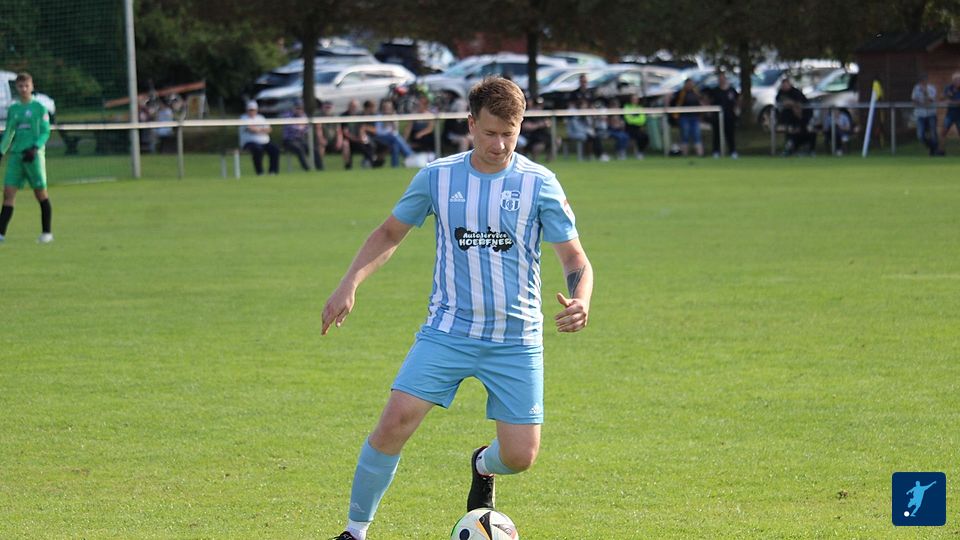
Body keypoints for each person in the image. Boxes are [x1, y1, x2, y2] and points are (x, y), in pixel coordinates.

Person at [323, 76, 593, 540]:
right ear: (470, 125)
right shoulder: (437, 177)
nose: (500, 144)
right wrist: (349, 283)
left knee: (520, 457)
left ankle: (482, 464)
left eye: (509, 133)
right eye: (490, 133)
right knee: (393, 424)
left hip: (515, 338)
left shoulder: (539, 183)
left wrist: (581, 300)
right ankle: (354, 531)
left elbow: (575, 260)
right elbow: (389, 234)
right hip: (448, 331)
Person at [0, 72, 54, 243]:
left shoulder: (39, 108)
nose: (24, 89)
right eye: (21, 86)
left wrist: (35, 147)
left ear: (32, 86)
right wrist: (1, 151)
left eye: (26, 86)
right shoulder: (14, 109)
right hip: (16, 156)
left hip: (33, 156)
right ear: (16, 88)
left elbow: (45, 132)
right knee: (8, 193)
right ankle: (1, 234)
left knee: (40, 193)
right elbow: (9, 132)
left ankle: (47, 233)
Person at [703, 72, 740, 158]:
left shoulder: (731, 90)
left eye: (723, 78)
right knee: (716, 135)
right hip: (717, 117)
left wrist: (737, 110)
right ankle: (716, 151)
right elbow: (708, 100)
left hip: (729, 116)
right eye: (720, 79)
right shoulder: (715, 91)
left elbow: (737, 100)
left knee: (730, 134)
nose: (721, 80)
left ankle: (733, 151)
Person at [239, 100, 279, 175]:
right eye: (250, 110)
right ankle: (260, 172)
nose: (252, 112)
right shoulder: (243, 118)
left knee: (275, 148)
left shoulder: (261, 118)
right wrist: (262, 130)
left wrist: (257, 129)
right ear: (247, 110)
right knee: (258, 149)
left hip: (265, 142)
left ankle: (273, 171)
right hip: (249, 143)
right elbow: (250, 129)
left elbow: (269, 129)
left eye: (253, 110)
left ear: (256, 110)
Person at [776, 78, 814, 156]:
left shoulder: (796, 92)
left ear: (790, 84)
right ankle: (790, 149)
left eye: (786, 84)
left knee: (803, 132)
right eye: (783, 85)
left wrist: (793, 106)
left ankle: (806, 149)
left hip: (803, 116)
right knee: (791, 132)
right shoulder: (781, 92)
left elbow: (798, 106)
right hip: (790, 118)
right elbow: (780, 103)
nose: (784, 86)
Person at [281, 100, 321, 171]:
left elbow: (307, 128)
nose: (299, 110)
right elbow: (292, 127)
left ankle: (320, 169)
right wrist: (300, 127)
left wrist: (301, 127)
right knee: (300, 150)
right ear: (293, 108)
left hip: (300, 140)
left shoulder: (303, 116)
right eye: (297, 108)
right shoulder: (287, 115)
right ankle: (307, 169)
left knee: (314, 149)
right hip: (289, 141)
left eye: (301, 108)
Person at [373, 100, 414, 167]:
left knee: (395, 145)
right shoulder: (379, 116)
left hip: (392, 138)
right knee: (395, 138)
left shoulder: (393, 116)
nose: (387, 109)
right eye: (386, 107)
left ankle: (395, 166)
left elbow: (395, 131)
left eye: (389, 107)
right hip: (380, 138)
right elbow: (379, 132)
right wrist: (386, 122)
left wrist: (393, 121)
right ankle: (410, 155)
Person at [341, 99, 379, 169]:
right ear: (348, 106)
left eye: (355, 107)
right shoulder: (344, 116)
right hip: (348, 139)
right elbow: (345, 132)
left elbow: (362, 128)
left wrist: (361, 137)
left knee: (368, 143)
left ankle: (370, 162)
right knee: (346, 144)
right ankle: (349, 165)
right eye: (352, 106)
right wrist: (356, 139)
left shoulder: (359, 116)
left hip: (358, 139)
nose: (354, 108)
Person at [671, 78, 705, 156]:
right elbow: (674, 103)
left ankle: (700, 154)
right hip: (684, 117)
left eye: (691, 84)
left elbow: (701, 102)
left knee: (697, 134)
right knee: (685, 135)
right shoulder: (680, 93)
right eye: (688, 84)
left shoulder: (696, 93)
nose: (690, 85)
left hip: (695, 117)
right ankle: (684, 153)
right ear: (685, 84)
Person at [911, 74, 938, 156]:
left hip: (931, 114)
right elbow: (914, 101)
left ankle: (934, 152)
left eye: (924, 81)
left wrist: (925, 92)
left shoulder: (931, 88)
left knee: (933, 134)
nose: (922, 82)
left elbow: (930, 100)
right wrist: (922, 103)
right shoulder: (916, 89)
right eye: (921, 81)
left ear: (927, 81)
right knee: (920, 135)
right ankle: (932, 147)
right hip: (920, 114)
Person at [519, 97, 553, 162]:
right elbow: (526, 126)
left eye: (540, 105)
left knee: (556, 141)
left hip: (543, 135)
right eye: (536, 105)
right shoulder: (527, 113)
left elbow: (549, 123)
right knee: (539, 146)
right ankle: (533, 161)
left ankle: (549, 160)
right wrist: (539, 125)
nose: (538, 107)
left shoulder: (543, 114)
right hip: (530, 136)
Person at [316, 101, 346, 171]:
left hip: (333, 140)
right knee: (321, 146)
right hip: (323, 140)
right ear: (322, 107)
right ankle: (320, 166)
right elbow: (318, 129)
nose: (327, 109)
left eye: (329, 107)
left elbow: (339, 131)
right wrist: (321, 139)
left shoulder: (335, 117)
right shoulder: (318, 116)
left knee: (345, 144)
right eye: (326, 107)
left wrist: (339, 141)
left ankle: (347, 166)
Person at [937, 72, 960, 155]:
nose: (957, 81)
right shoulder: (949, 87)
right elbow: (941, 98)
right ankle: (941, 151)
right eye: (956, 80)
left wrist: (950, 101)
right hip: (950, 114)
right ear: (953, 81)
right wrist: (946, 95)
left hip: (959, 115)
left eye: (959, 79)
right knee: (943, 132)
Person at [622, 93, 649, 159]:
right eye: (633, 99)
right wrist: (637, 120)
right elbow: (628, 120)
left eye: (636, 99)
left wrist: (634, 119)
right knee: (637, 136)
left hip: (638, 128)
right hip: (629, 128)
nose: (635, 100)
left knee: (645, 137)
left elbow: (642, 120)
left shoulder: (640, 108)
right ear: (630, 100)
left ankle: (640, 152)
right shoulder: (627, 107)